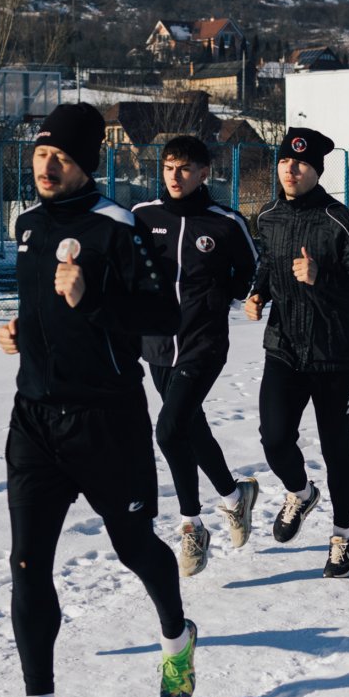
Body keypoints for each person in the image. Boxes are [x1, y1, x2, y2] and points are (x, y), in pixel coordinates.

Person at [0, 104, 194, 697]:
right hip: (34, 419)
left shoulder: (117, 227)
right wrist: (20, 332)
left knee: (134, 547)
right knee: (27, 566)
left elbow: (164, 313)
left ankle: (177, 640)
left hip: (106, 421)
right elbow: (40, 308)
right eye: (40, 154)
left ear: (86, 164)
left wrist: (92, 301)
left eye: (62, 157)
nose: (46, 166)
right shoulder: (26, 226)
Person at [245, 127, 349, 578]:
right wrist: (258, 293)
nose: (291, 169)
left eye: (301, 163)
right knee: (274, 438)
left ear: (317, 171)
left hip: (334, 354)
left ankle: (343, 535)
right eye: (286, 161)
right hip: (283, 348)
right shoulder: (268, 216)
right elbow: (269, 265)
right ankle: (301, 493)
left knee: (336, 448)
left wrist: (322, 275)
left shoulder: (340, 221)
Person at [132, 135, 259, 576]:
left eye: (184, 168)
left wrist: (227, 294)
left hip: (204, 343)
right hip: (156, 344)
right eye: (169, 167)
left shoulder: (224, 222)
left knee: (169, 431)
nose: (175, 176)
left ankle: (192, 526)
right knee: (190, 426)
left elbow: (250, 269)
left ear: (204, 173)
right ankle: (234, 496)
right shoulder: (142, 216)